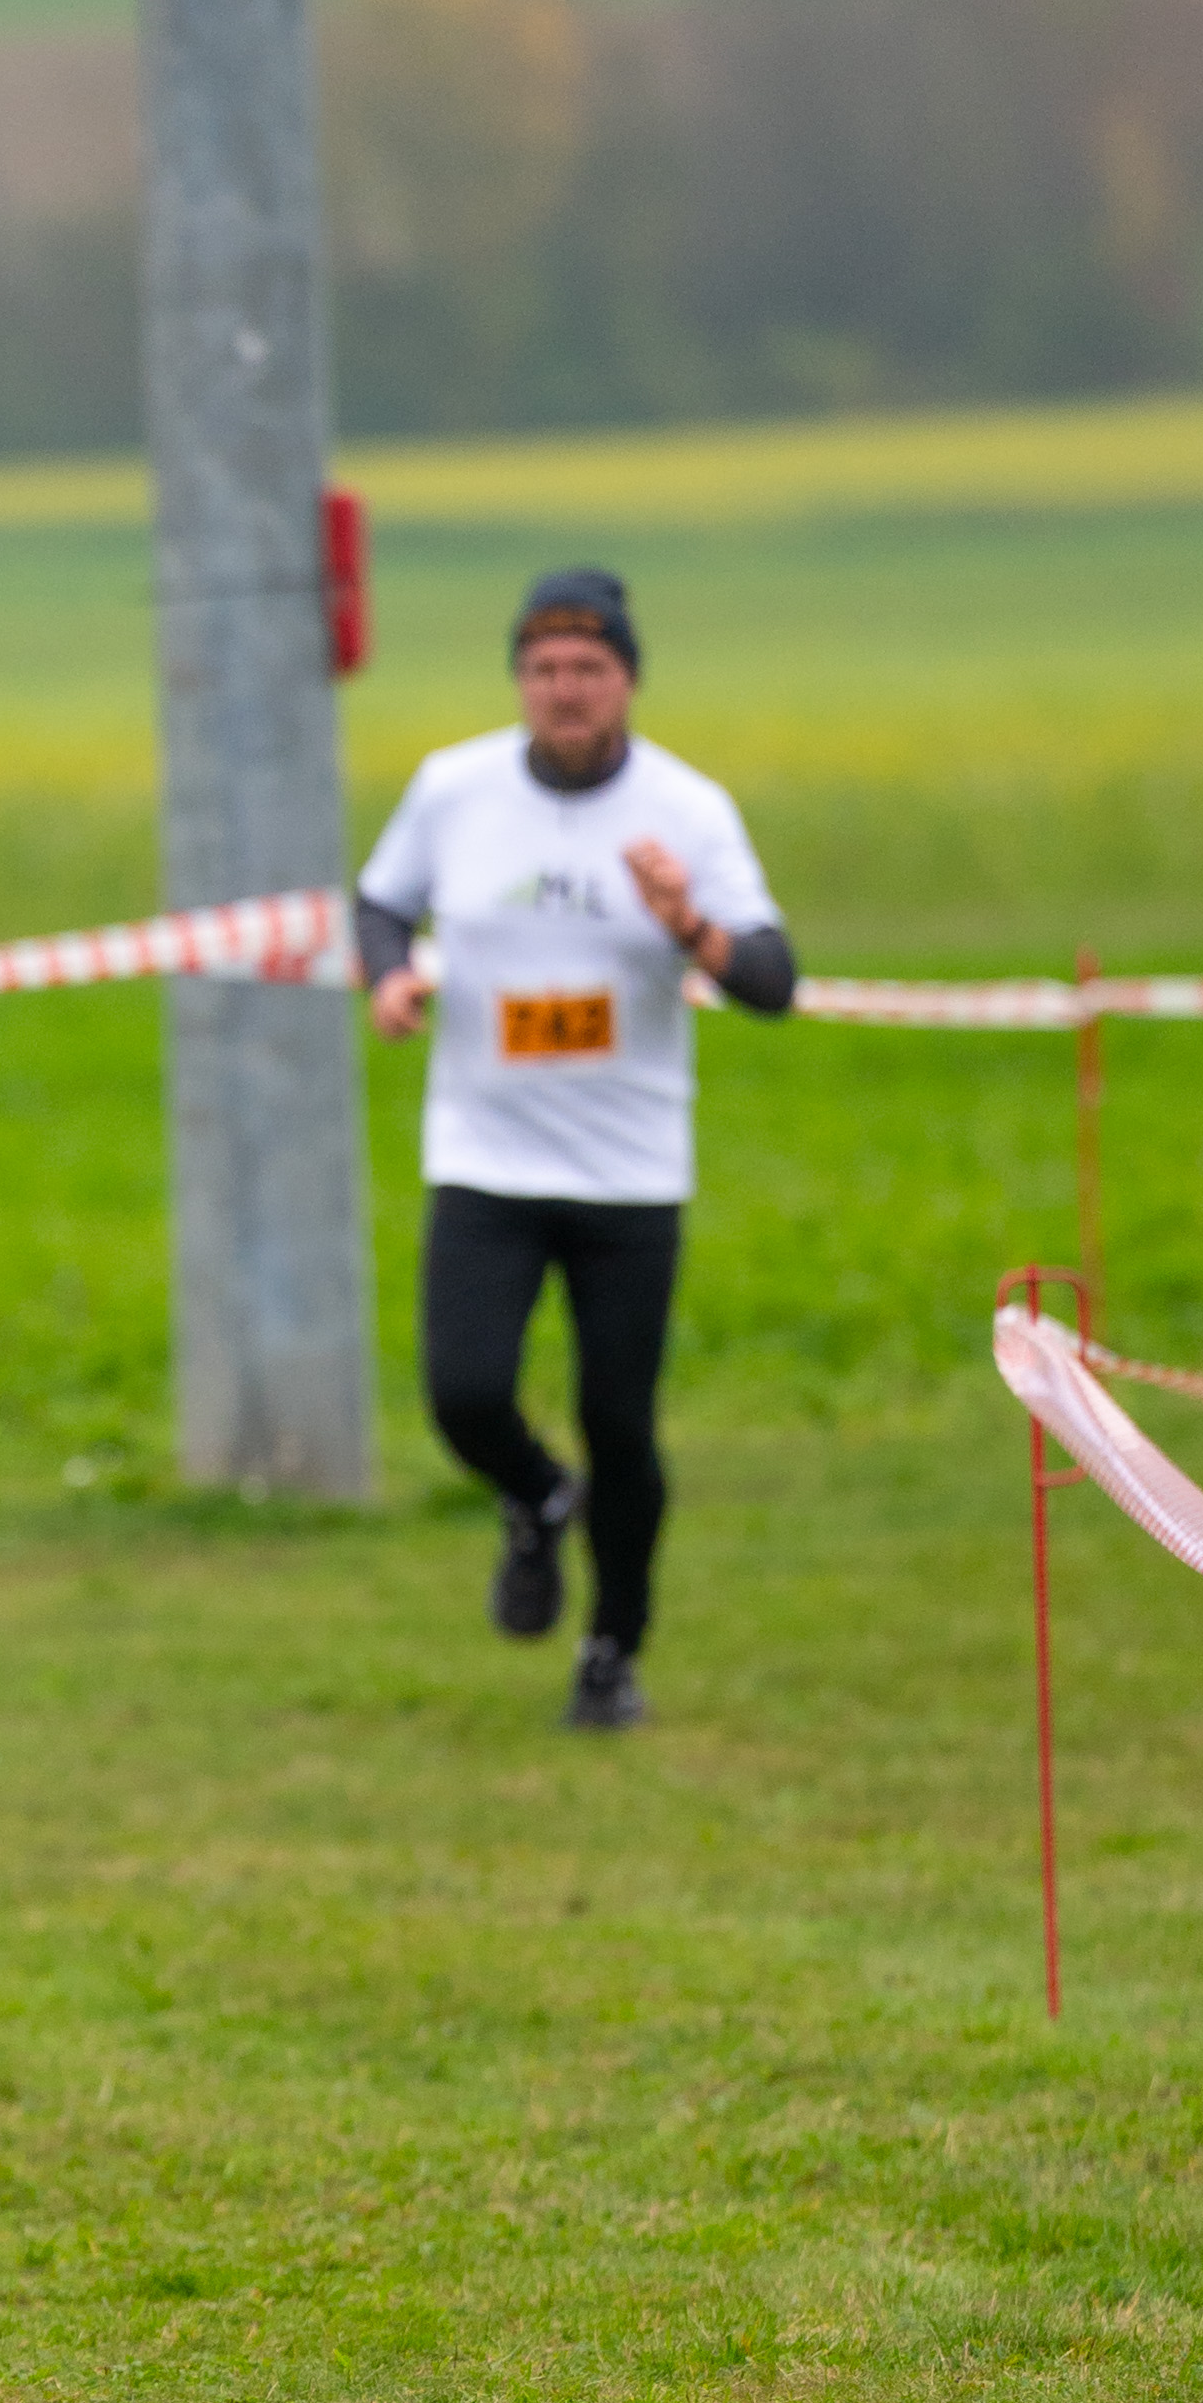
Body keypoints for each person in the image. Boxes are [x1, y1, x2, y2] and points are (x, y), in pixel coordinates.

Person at [354, 566, 795, 1731]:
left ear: (626, 682)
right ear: (517, 681)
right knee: (461, 1394)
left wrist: (685, 925)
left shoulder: (686, 810)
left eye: (587, 670)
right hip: (484, 1156)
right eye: (542, 669)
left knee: (620, 1423)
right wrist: (388, 976)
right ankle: (539, 1498)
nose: (563, 689)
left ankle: (610, 1653)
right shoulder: (452, 789)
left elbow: (771, 981)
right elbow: (379, 901)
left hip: (626, 1172)